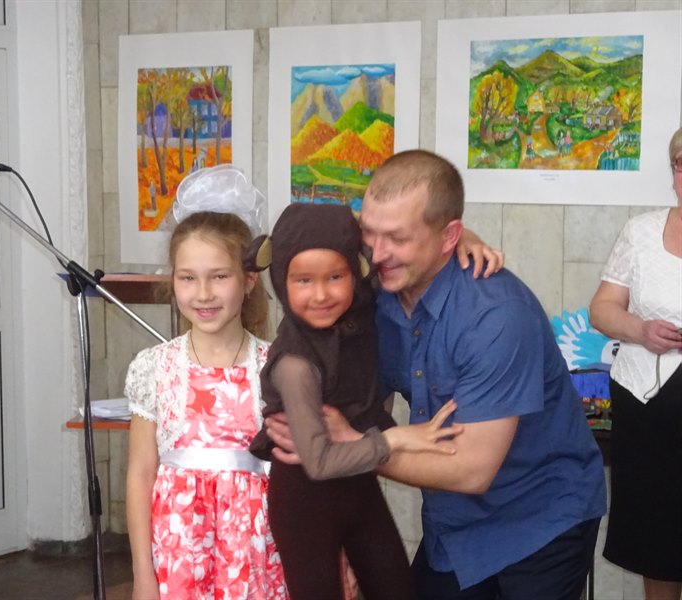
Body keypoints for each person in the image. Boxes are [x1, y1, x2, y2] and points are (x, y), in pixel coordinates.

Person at [269, 149, 607, 599]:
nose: (376, 252)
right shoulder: (370, 292)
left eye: (397, 238)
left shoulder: (497, 315)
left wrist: (352, 446)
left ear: (448, 237)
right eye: (369, 231)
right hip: (454, 525)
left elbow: (471, 470)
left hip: (539, 519)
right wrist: (340, 542)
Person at [243, 202, 463, 600]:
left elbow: (411, 248)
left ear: (355, 271)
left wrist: (468, 243)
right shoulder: (295, 364)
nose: (321, 294)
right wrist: (395, 439)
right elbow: (320, 462)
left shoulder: (359, 307)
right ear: (279, 279)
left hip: (359, 488)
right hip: (305, 504)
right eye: (303, 280)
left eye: (335, 276)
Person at [124, 167, 287, 599]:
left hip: (256, 561)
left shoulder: (276, 366)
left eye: (219, 276)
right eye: (188, 277)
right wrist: (143, 575)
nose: (203, 293)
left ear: (249, 280)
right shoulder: (155, 368)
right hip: (178, 561)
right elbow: (141, 473)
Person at [589, 128, 682, 600]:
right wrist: (640, 330)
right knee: (655, 544)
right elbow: (602, 309)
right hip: (645, 405)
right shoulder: (641, 232)